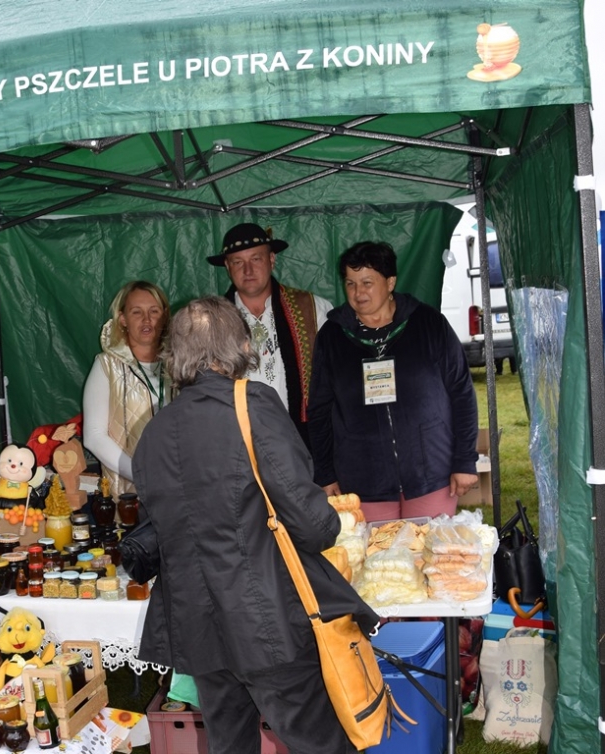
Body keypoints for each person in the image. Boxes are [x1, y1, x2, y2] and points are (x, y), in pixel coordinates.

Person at [133, 296, 378, 754]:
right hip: (264, 619)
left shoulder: (154, 432)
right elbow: (313, 524)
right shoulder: (251, 404)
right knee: (320, 742)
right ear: (240, 345)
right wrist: (333, 520)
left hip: (198, 625)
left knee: (230, 745)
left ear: (176, 354)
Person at [308, 241, 479, 523]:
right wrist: (324, 473)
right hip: (364, 479)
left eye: (367, 283)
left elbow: (462, 394)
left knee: (430, 548)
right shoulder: (332, 337)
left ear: (390, 282)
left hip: (430, 472)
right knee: (379, 552)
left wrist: (465, 460)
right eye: (350, 283)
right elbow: (319, 410)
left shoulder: (428, 324)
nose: (358, 293)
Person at [208, 222, 333, 450]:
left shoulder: (313, 309)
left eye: (256, 259)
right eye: (238, 262)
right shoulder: (212, 320)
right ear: (227, 266)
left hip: (302, 441)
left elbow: (333, 380)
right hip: (236, 444)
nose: (248, 270)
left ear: (272, 259)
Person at [82, 280, 172, 496]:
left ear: (165, 316)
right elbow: (94, 436)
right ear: (122, 319)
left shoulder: (180, 365)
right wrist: (140, 476)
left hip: (176, 490)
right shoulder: (106, 365)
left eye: (154, 311)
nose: (147, 319)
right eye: (136, 312)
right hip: (126, 496)